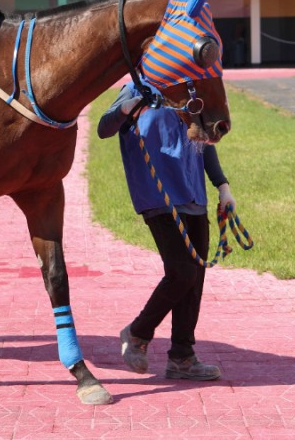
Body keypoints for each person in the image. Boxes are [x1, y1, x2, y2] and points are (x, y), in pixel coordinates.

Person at [97, 82, 237, 380]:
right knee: (181, 273)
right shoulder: (137, 88)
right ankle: (137, 333)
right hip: (158, 197)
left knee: (194, 278)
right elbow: (104, 128)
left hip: (194, 194)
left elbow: (204, 143)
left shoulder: (191, 92)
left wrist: (223, 187)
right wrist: (125, 109)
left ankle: (182, 358)